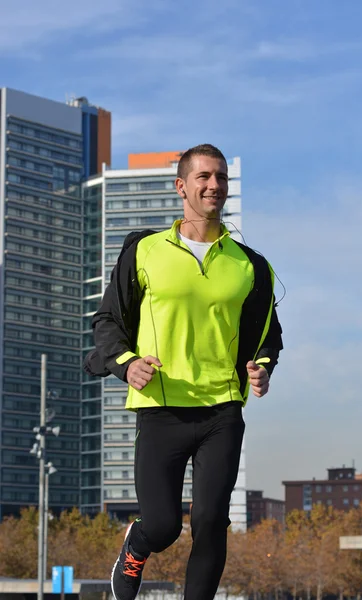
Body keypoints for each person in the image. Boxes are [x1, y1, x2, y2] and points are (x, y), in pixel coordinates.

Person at [85, 144, 283, 600]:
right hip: (160, 407)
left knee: (212, 519)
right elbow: (108, 321)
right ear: (181, 186)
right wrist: (127, 363)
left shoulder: (250, 265)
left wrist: (264, 367)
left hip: (221, 409)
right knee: (164, 525)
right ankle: (136, 544)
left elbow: (268, 334)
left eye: (221, 178)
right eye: (203, 177)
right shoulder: (145, 251)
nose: (214, 185)